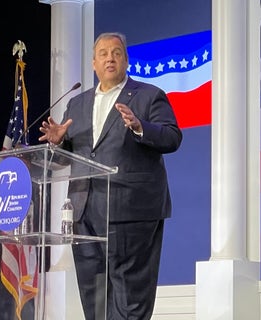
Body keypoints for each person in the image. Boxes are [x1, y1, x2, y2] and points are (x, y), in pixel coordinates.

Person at [39, 32, 182, 320]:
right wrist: (59, 143)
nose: (110, 58)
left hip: (131, 210)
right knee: (94, 298)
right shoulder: (76, 104)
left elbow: (172, 137)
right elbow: (79, 153)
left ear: (126, 60)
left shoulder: (148, 95)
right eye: (103, 53)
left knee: (129, 300)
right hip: (84, 212)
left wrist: (140, 126)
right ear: (93, 63)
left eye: (116, 52)